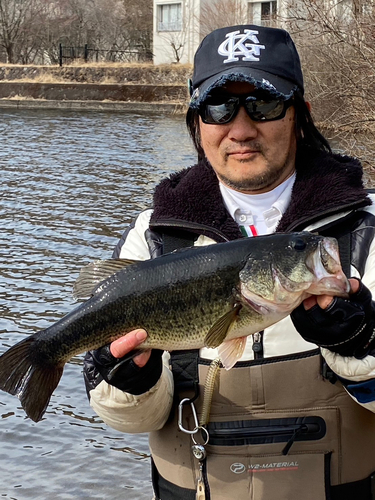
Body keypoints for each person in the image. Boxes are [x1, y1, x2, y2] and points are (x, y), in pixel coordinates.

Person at [83, 24, 375, 500]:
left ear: (300, 115)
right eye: (218, 106)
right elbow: (130, 420)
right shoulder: (153, 236)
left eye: (263, 103)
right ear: (197, 123)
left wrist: (363, 343)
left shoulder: (365, 230)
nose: (240, 129)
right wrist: (127, 379)